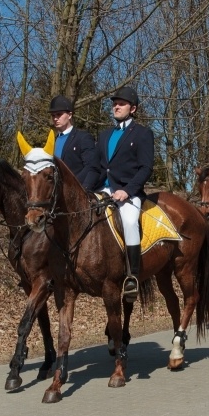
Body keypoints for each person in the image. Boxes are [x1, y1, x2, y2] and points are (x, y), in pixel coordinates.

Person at [96, 86, 154, 302]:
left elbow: (146, 168)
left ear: (133, 108)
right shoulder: (104, 135)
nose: (116, 107)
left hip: (128, 191)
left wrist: (127, 191)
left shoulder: (142, 133)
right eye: (114, 104)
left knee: (129, 221)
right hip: (103, 189)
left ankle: (132, 276)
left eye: (121, 104)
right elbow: (99, 167)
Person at [49, 95, 103, 192]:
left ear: (70, 115)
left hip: (77, 192)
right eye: (53, 115)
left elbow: (92, 167)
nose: (55, 118)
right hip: (55, 194)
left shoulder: (83, 138)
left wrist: (83, 190)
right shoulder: (52, 141)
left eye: (59, 114)